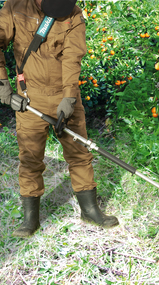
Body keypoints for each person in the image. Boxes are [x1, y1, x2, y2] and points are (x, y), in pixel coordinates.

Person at [0, 0, 119, 238]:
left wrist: (69, 98)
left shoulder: (74, 15)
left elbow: (72, 57)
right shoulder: (15, 7)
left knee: (80, 153)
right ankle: (30, 219)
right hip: (29, 98)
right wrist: (3, 85)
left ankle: (90, 210)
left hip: (64, 96)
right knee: (31, 157)